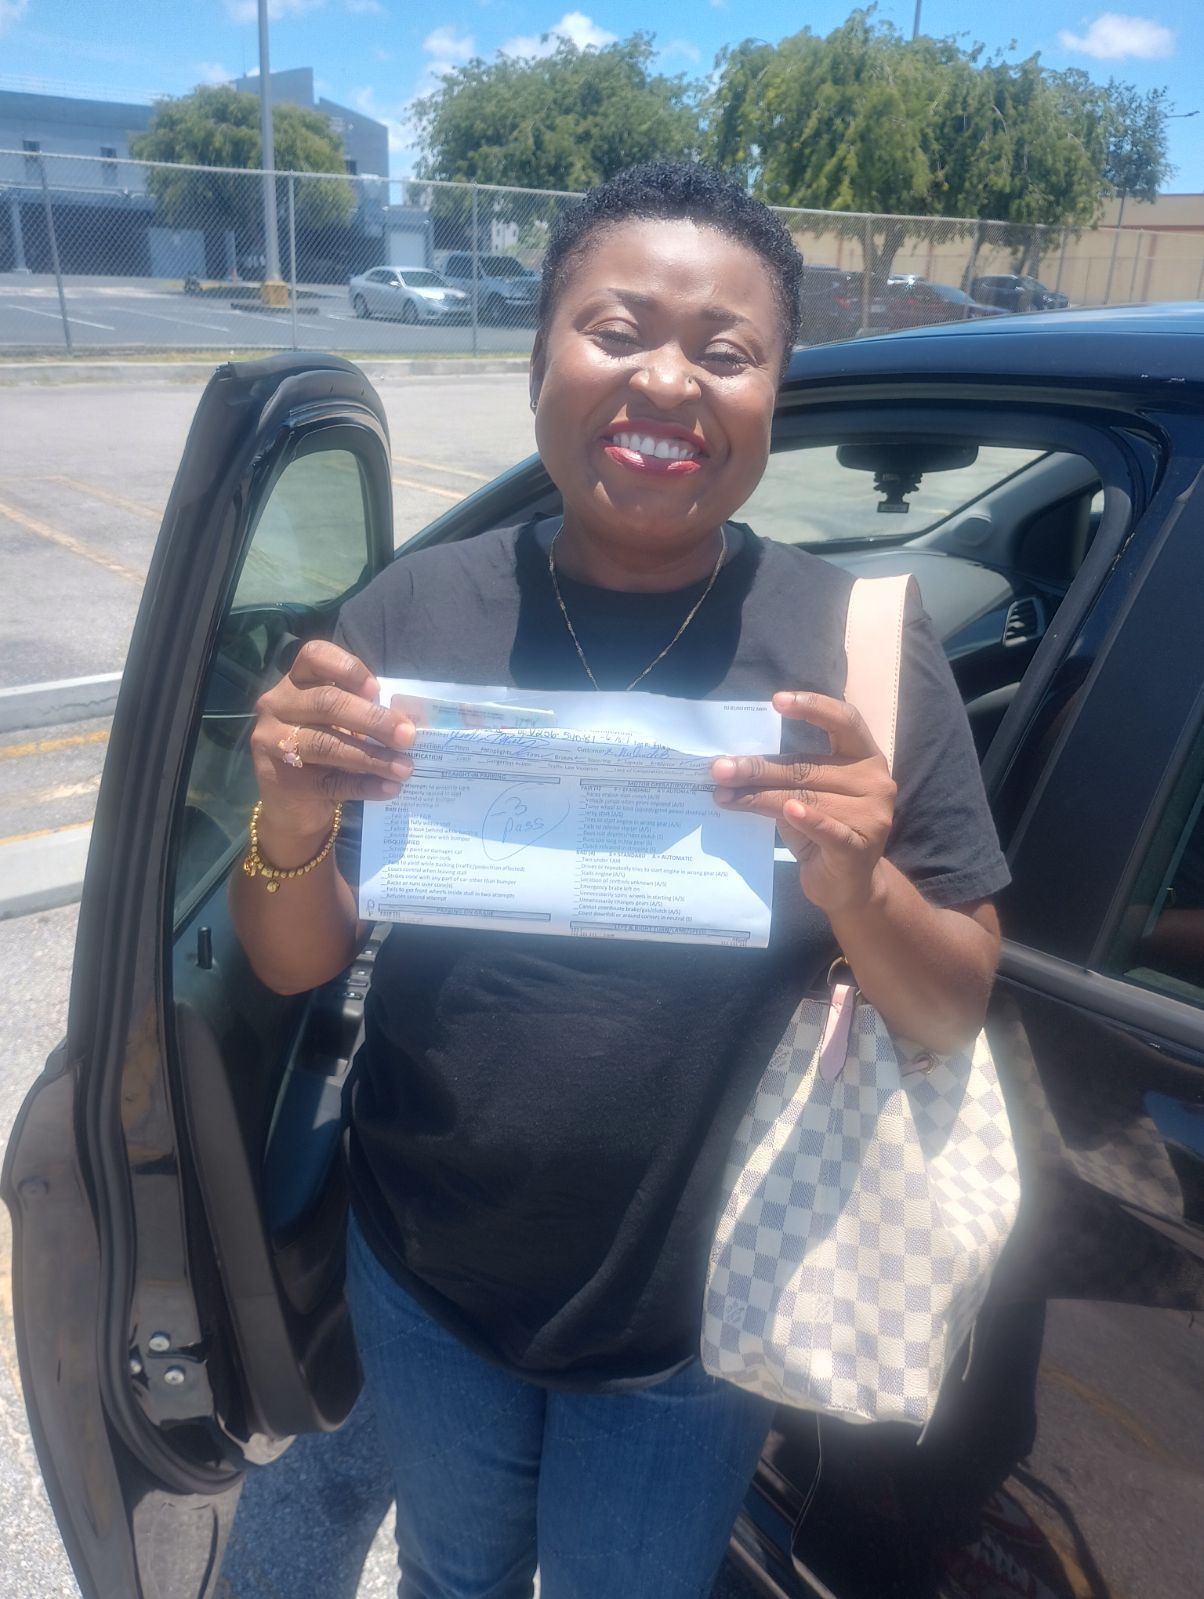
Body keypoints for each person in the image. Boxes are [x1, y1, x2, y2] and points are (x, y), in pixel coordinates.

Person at [230, 161, 1009, 1599]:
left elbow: (953, 1003)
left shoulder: (853, 649)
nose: (668, 383)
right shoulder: (414, 613)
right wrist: (285, 811)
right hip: (424, 1270)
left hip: (693, 1316)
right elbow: (292, 962)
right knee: (457, 1576)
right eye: (616, 330)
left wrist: (856, 883)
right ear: (542, 357)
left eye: (727, 353)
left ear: (776, 393)